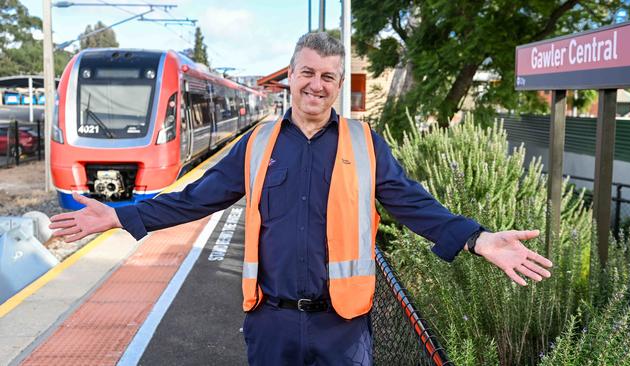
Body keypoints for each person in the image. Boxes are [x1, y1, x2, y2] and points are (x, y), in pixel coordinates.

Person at [50, 32, 552, 365]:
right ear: (290, 76)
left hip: (344, 329)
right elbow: (194, 199)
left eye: (328, 76)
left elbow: (411, 203)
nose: (316, 84)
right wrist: (119, 215)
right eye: (307, 73)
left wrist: (478, 238)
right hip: (271, 325)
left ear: (337, 86)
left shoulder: (365, 142)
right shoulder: (257, 144)